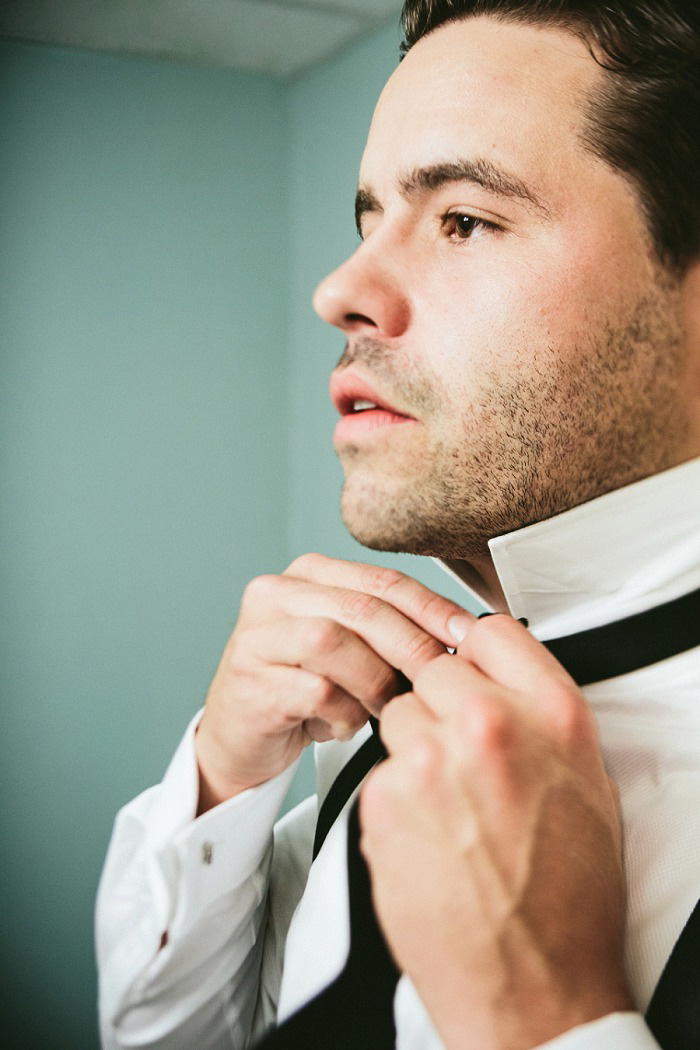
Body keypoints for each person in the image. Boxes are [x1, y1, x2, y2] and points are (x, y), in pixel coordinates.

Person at [96, 2, 700, 1048]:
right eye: (367, 219)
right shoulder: (383, 735)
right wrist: (223, 788)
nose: (338, 290)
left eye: (462, 218)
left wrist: (547, 1019)